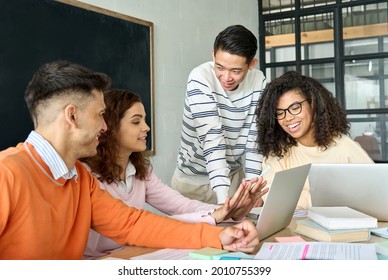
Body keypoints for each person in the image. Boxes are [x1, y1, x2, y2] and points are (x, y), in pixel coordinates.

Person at [0, 60, 260, 260]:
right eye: (100, 115)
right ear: (72, 117)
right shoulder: (6, 174)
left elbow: (133, 223)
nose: (105, 127)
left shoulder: (79, 178)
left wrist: (219, 237)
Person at [82, 89, 268, 259]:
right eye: (136, 121)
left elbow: (181, 206)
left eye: (145, 120)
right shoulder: (87, 176)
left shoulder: (140, 170)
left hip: (137, 252)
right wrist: (215, 216)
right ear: (110, 128)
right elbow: (144, 225)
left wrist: (227, 211)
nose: (146, 127)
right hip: (103, 260)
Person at [171, 25, 267, 205]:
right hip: (192, 183)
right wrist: (224, 203)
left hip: (234, 179)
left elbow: (255, 142)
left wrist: (253, 191)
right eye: (220, 67)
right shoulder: (200, 78)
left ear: (252, 64)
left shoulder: (259, 81)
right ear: (213, 54)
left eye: (236, 71)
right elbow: (212, 140)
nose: (226, 77)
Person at [255, 70, 374, 210]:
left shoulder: (344, 147)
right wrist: (334, 198)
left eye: (295, 108)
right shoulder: (279, 152)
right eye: (280, 113)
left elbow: (373, 192)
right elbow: (272, 197)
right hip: (292, 230)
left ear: (314, 104)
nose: (287, 118)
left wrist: (298, 197)